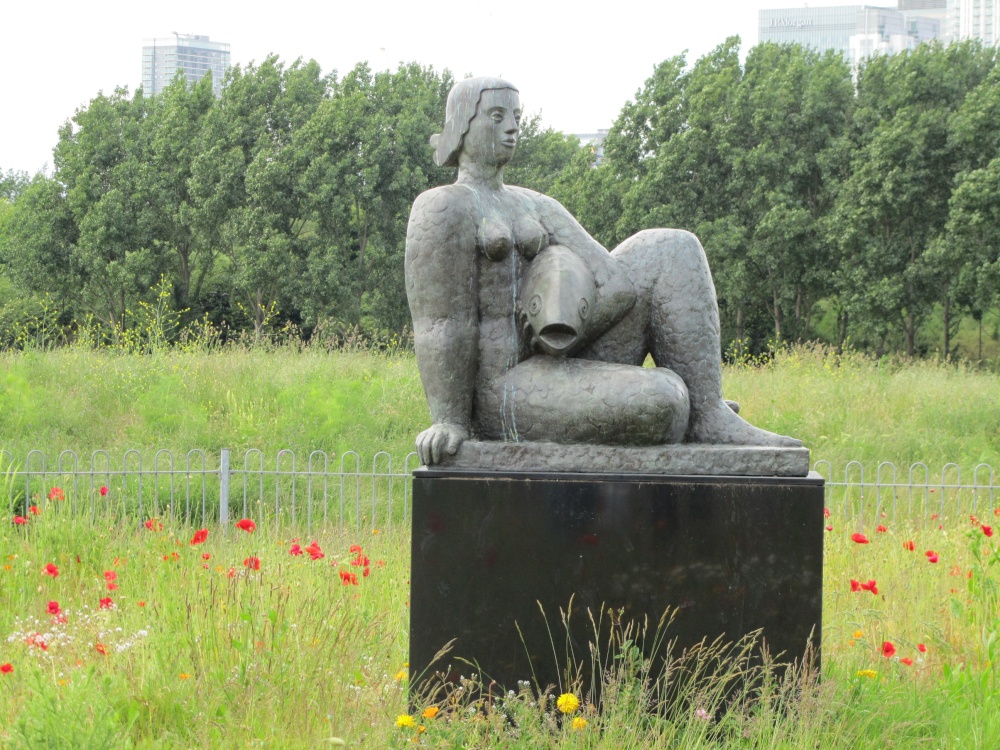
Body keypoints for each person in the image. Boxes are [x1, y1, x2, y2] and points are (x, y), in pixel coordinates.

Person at [405, 77, 799, 466]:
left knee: (674, 246)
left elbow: (616, 284)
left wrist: (561, 330)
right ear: (463, 124)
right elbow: (442, 323)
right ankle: (686, 407)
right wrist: (450, 420)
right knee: (664, 400)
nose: (512, 127)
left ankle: (708, 413)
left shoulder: (538, 205)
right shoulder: (444, 208)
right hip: (502, 389)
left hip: (555, 360)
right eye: (496, 116)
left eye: (517, 118)